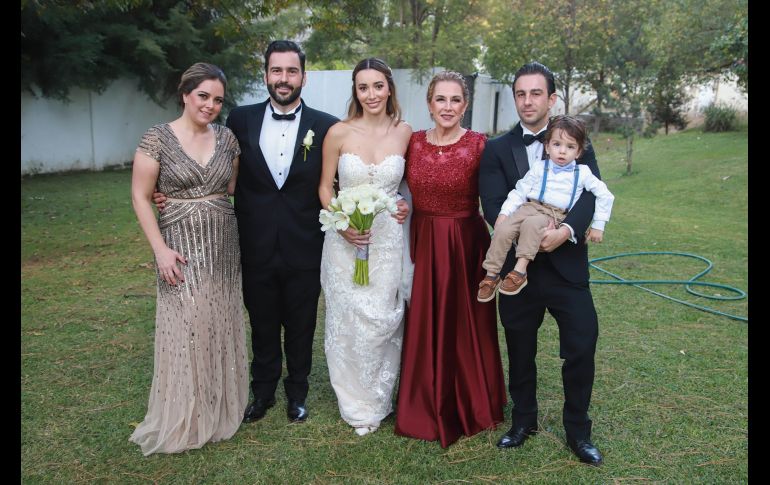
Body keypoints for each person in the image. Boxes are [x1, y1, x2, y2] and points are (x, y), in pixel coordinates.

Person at [478, 61, 605, 465]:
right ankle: (523, 420)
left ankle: (578, 431)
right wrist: (531, 235)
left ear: (551, 98)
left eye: (536, 93)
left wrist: (563, 233)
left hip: (568, 268)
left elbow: (590, 199)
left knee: (582, 346)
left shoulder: (578, 144)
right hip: (519, 273)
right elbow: (495, 206)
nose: (527, 100)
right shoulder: (496, 149)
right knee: (519, 347)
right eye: (520, 93)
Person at [129, 62, 249, 455]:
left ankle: (217, 409)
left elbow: (230, 187)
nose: (211, 105)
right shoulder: (157, 138)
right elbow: (140, 196)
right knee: (187, 326)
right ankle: (185, 415)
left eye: (217, 99)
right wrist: (159, 250)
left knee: (218, 321)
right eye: (203, 96)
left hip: (222, 243)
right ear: (185, 94)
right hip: (178, 246)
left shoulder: (228, 138)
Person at [226, 41, 339, 424]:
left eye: (292, 72)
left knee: (302, 322)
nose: (284, 79)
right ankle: (262, 393)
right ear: (266, 76)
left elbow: (340, 180)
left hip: (305, 244)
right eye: (277, 71)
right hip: (255, 242)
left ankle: (298, 393)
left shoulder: (325, 126)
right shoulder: (239, 120)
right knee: (261, 320)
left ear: (304, 77)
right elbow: (223, 173)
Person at [394, 71, 507, 447]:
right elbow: (392, 185)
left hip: (465, 242)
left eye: (455, 100)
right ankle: (422, 402)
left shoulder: (479, 145)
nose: (447, 107)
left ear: (466, 104)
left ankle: (474, 402)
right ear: (429, 104)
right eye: (440, 99)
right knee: (424, 317)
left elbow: (496, 198)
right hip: (422, 239)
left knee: (466, 322)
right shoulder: (411, 143)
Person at [318, 57, 412, 436]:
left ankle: (378, 397)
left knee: (382, 318)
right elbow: (325, 187)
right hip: (345, 240)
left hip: (388, 240)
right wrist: (341, 226)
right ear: (355, 91)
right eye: (363, 87)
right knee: (347, 319)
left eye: (377, 86)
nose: (371, 94)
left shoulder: (405, 132)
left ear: (389, 88)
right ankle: (354, 402)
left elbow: (411, 186)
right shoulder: (338, 133)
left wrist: (406, 202)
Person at [478, 115, 615, 302]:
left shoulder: (583, 173)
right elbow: (519, 191)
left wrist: (599, 224)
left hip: (553, 214)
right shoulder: (539, 168)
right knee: (504, 228)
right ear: (547, 147)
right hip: (529, 206)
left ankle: (519, 271)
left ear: (579, 152)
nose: (562, 151)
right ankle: (492, 274)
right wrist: (504, 214)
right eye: (557, 144)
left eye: (570, 147)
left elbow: (605, 195)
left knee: (532, 225)